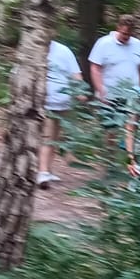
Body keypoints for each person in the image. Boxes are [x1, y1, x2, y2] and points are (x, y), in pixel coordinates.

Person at [88, 13, 140, 169]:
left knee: (131, 129)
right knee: (111, 131)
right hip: (110, 94)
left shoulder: (138, 45)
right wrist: (100, 90)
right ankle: (110, 164)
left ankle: (130, 164)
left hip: (132, 95)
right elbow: (95, 68)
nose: (126, 37)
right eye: (123, 34)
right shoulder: (103, 43)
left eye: (129, 34)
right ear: (118, 28)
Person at [39, 38, 83, 185]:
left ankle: (48, 170)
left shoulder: (64, 50)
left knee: (55, 138)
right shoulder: (36, 48)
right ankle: (42, 171)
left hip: (64, 102)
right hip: (45, 102)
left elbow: (75, 73)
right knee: (47, 136)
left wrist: (80, 90)